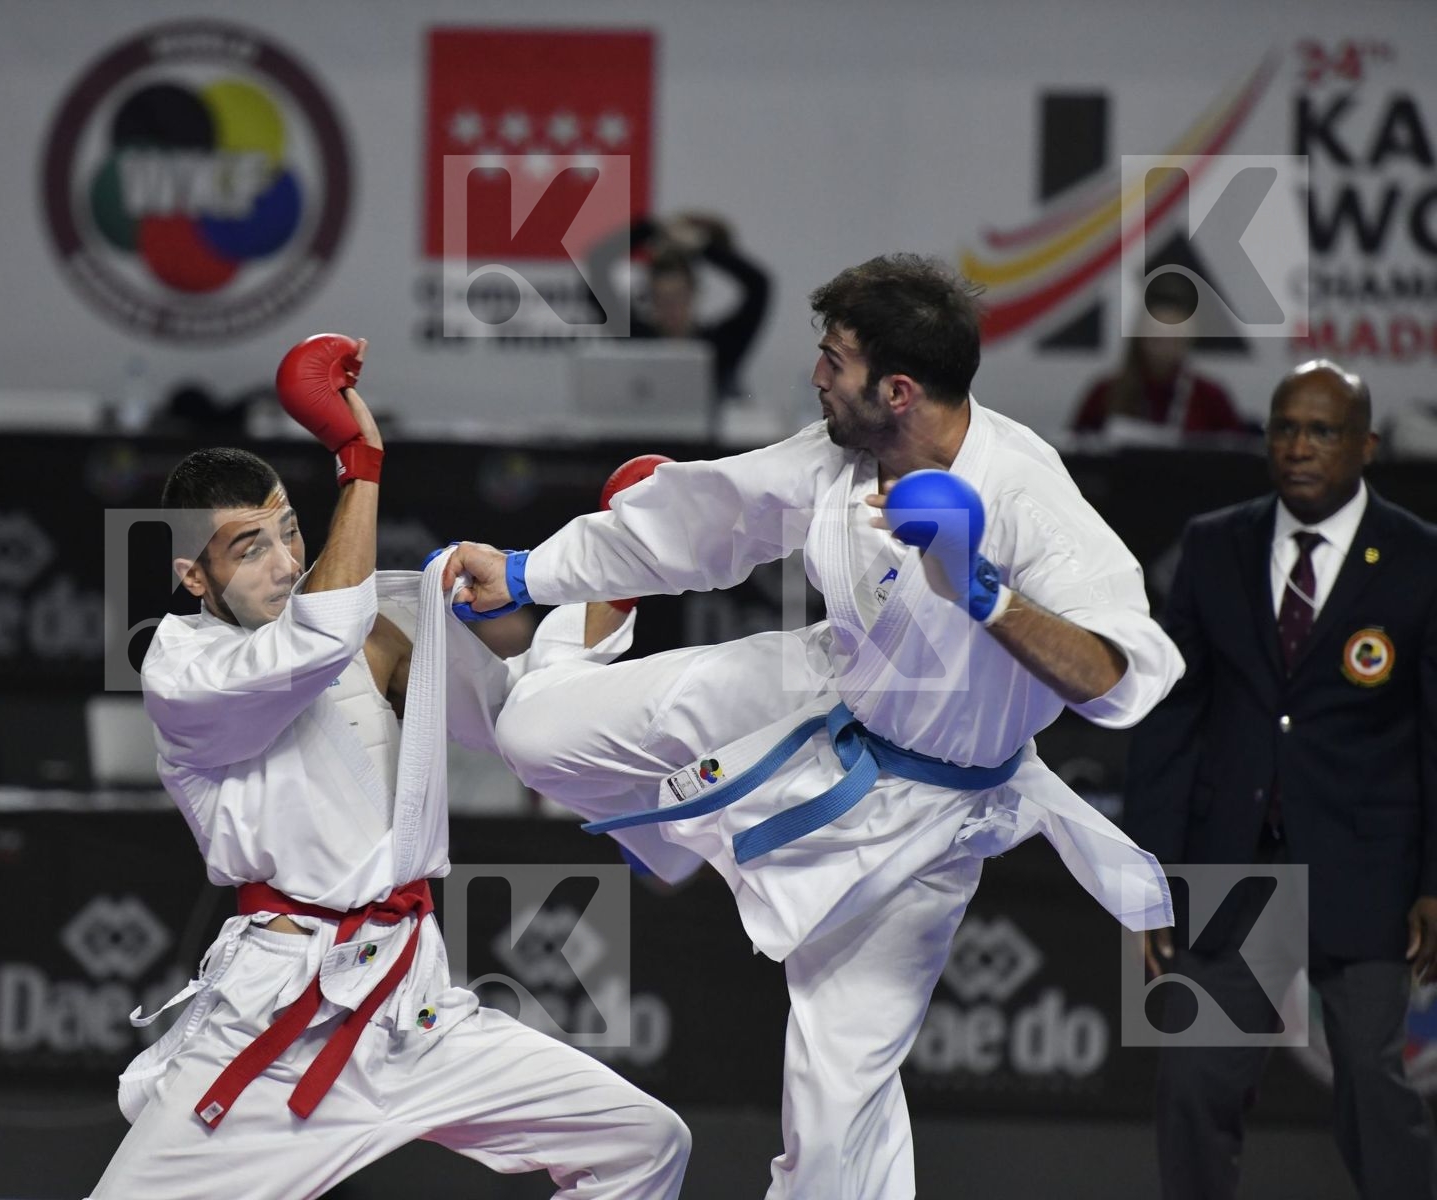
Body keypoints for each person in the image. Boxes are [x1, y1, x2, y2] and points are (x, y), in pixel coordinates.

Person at [440, 253, 1184, 1198]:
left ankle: (674, 835)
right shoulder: (841, 453)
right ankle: (658, 814)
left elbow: (1122, 679)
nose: (817, 377)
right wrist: (527, 572)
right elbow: (704, 518)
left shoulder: (1029, 502)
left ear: (899, 389)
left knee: (834, 1133)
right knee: (536, 738)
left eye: (834, 361)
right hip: (823, 684)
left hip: (927, 817)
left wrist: (986, 593)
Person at [88, 335, 690, 1200]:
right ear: (193, 576)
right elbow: (315, 637)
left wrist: (617, 572)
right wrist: (359, 460)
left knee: (644, 1142)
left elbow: (522, 716)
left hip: (414, 1004)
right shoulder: (183, 669)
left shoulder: (377, 627)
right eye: (248, 547)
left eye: (289, 530)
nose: (285, 561)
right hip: (274, 1019)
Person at [1125, 359, 1437, 1200]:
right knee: (1193, 1086)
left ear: (1367, 445)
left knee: (1374, 1089)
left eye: (1323, 431)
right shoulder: (1213, 542)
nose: (1298, 447)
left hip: (1366, 869)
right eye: (1284, 429)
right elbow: (1171, 716)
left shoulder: (1419, 558)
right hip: (1235, 870)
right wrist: (1148, 878)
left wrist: (1436, 883)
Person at [588, 210, 772, 400]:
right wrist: (651, 229)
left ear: (694, 293)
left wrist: (702, 247)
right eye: (662, 299)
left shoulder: (720, 346)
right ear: (650, 299)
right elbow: (597, 264)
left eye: (678, 297)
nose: (672, 309)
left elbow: (759, 285)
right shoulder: (638, 341)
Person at [1070, 273, 1246, 437]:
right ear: (1141, 340)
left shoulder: (1210, 398)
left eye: (1174, 341)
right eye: (1157, 339)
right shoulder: (1104, 394)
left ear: (1187, 342)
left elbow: (1235, 457)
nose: (1165, 349)